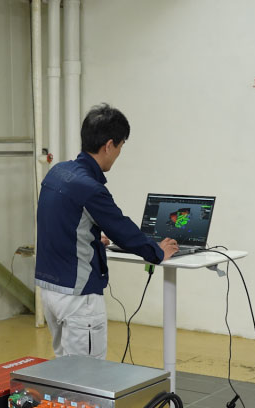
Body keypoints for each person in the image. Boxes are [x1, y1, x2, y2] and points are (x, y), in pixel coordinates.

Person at [35, 104, 178, 359]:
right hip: (79, 298)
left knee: (64, 373)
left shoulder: (57, 173)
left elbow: (55, 222)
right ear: (109, 145)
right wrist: (157, 252)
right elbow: (123, 230)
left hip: (50, 291)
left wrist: (89, 236)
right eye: (121, 147)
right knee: (88, 379)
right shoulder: (89, 187)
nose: (119, 153)